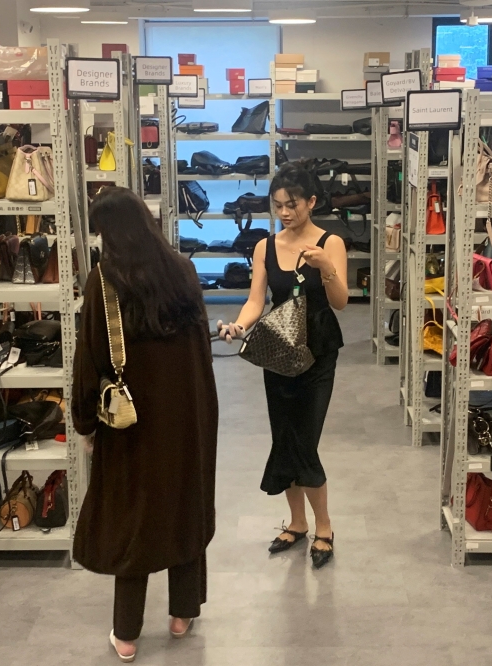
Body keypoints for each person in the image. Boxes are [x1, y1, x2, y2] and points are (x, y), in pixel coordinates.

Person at [72, 187, 219, 662]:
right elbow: (200, 352)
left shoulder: (105, 281)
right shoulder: (184, 272)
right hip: (188, 416)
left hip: (131, 425)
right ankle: (181, 614)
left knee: (132, 517)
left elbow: (90, 358)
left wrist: (83, 421)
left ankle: (128, 633)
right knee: (183, 505)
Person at [218, 162, 347, 570]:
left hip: (319, 348)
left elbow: (341, 302)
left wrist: (325, 267)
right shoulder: (265, 246)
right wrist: (239, 324)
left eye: (292, 205)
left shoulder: (331, 242)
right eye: (277, 205)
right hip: (278, 349)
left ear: (311, 201)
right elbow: (258, 300)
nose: (284, 213)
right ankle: (297, 522)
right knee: (284, 434)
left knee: (304, 439)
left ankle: (323, 526)